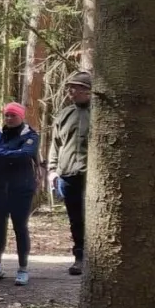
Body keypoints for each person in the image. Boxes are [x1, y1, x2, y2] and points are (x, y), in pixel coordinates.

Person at [0, 102, 39, 286]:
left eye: (13, 115)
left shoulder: (31, 135)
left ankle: (23, 268)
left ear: (21, 116)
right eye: (7, 115)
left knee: (20, 227)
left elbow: (25, 155)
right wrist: (2, 153)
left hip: (21, 188)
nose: (9, 119)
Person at [49, 70, 92, 276]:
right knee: (76, 219)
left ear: (88, 91)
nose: (70, 92)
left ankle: (98, 258)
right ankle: (80, 257)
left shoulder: (101, 115)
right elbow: (56, 144)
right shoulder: (64, 114)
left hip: (92, 176)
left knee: (95, 219)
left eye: (74, 88)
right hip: (67, 174)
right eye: (69, 88)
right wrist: (52, 169)